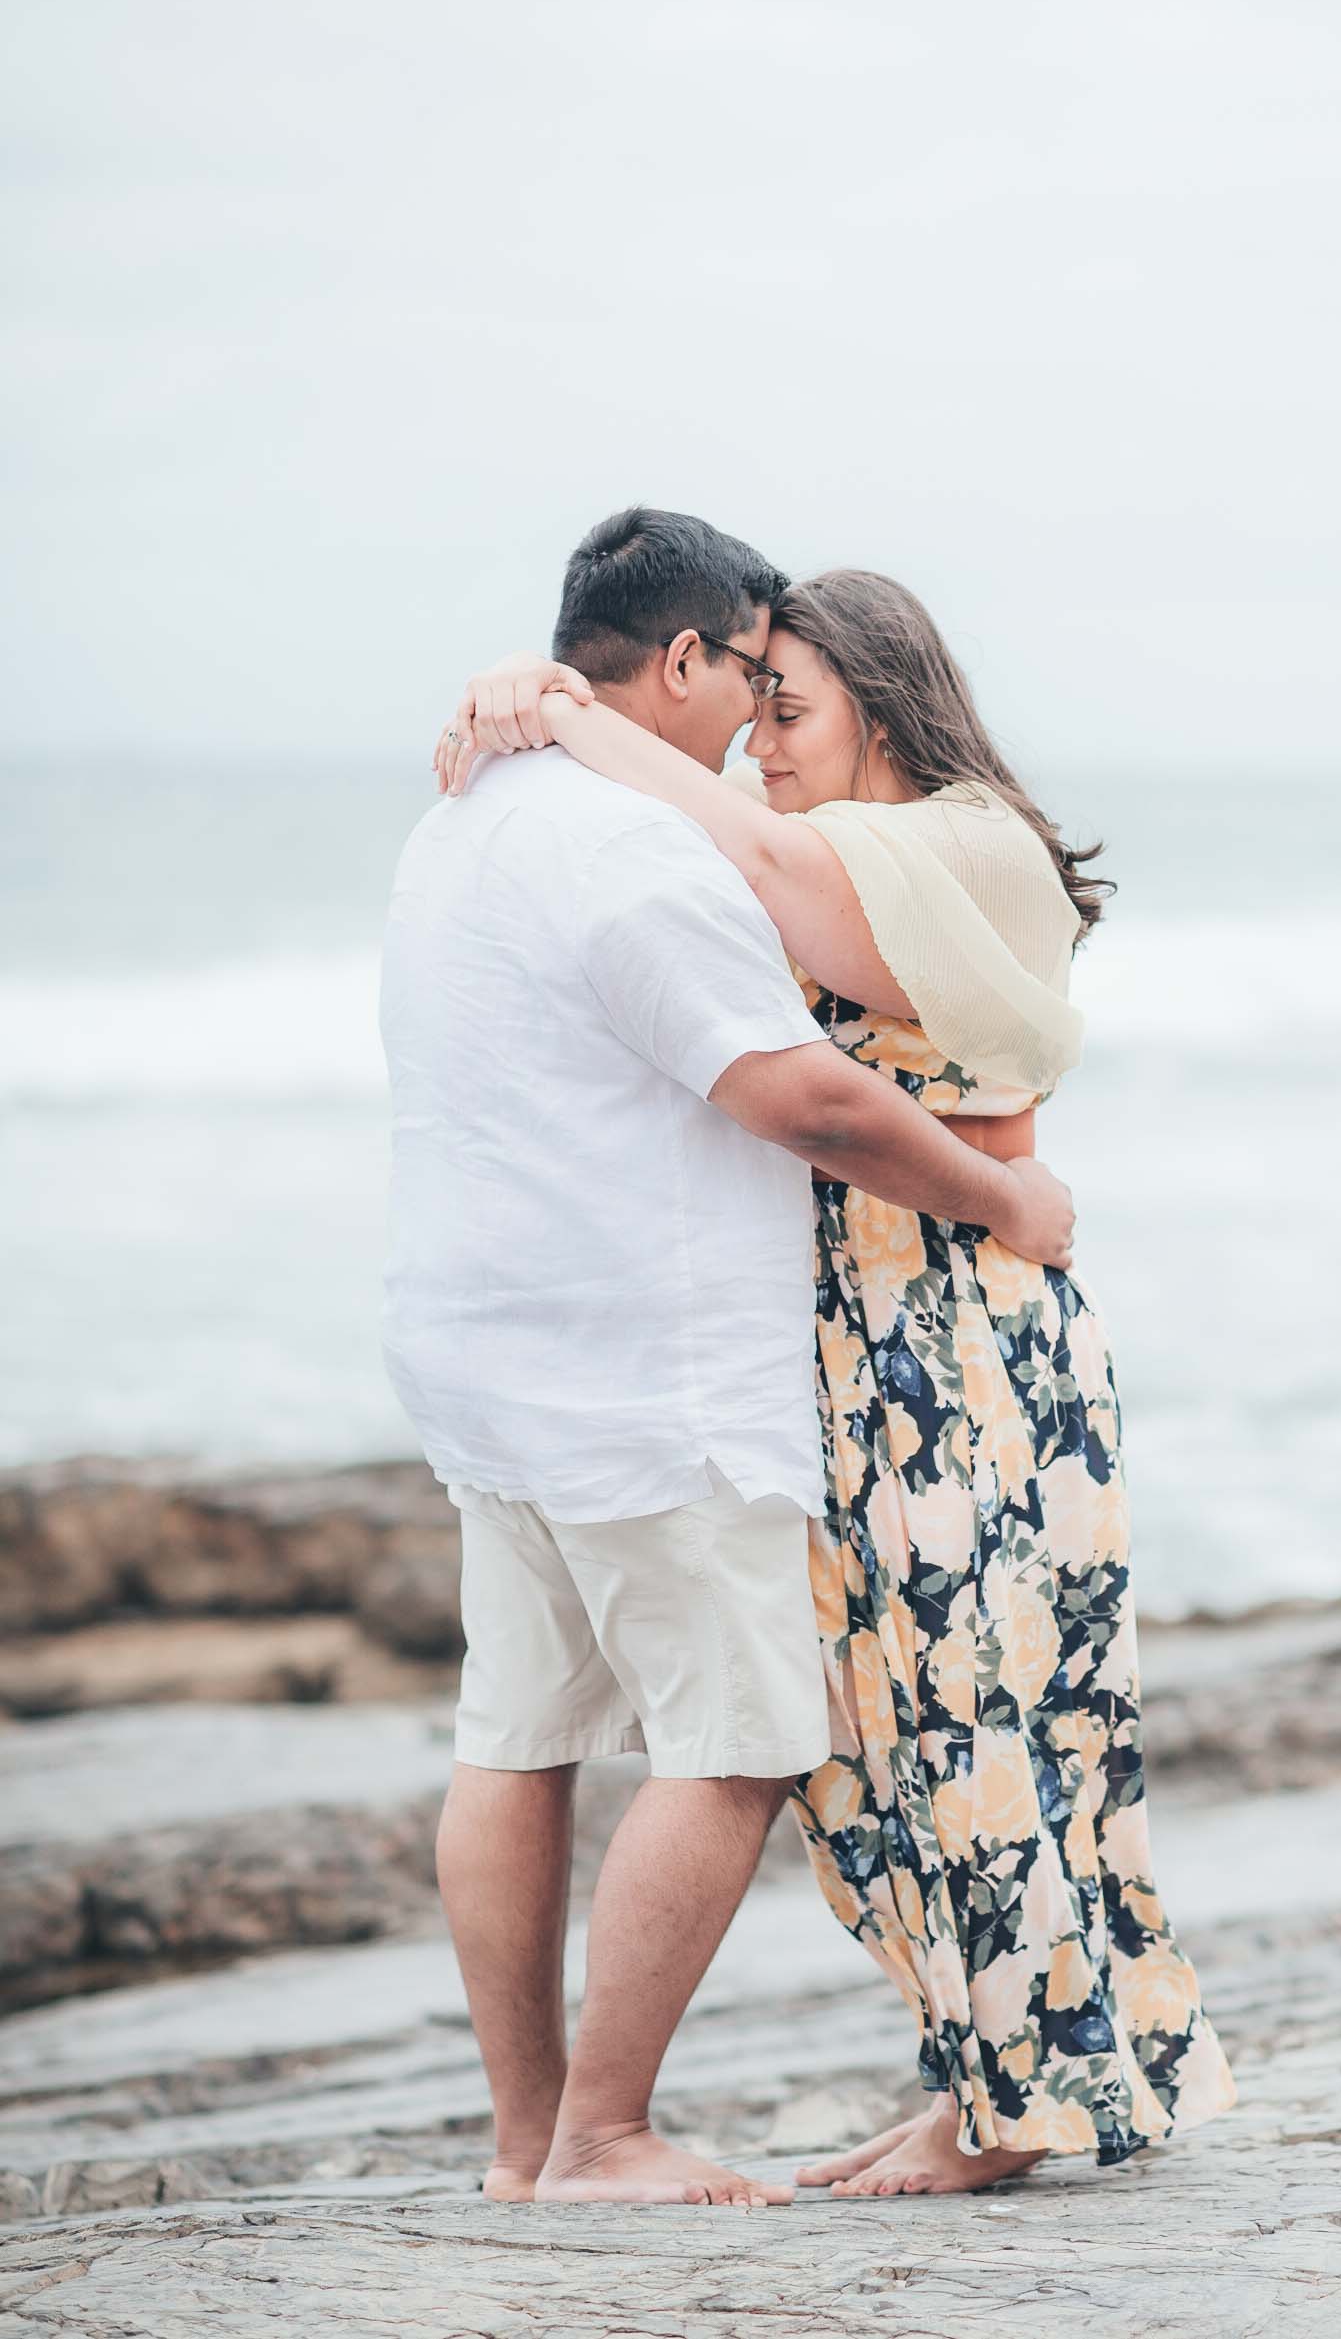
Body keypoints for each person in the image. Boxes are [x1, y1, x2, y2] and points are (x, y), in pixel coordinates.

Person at [437, 553, 1238, 2198]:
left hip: (961, 1344)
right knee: (882, 1738)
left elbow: (769, 867)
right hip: (849, 1351)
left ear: (882, 697)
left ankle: (1011, 2104)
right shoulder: (835, 855)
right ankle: (992, 2078)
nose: (760, 745)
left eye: (786, 707)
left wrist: (565, 707)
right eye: (752, 707)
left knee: (980, 1717)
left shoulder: (971, 849)